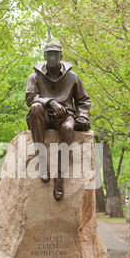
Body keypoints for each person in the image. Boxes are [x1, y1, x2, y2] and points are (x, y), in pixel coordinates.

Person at [26, 41, 91, 200]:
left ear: (61, 56)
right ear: (44, 56)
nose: (53, 57)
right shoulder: (35, 76)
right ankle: (42, 160)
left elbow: (83, 100)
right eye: (50, 54)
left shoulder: (72, 77)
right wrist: (49, 102)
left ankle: (59, 178)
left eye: (56, 54)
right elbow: (30, 97)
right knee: (35, 107)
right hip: (44, 115)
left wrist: (82, 116)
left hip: (65, 115)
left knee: (68, 129)